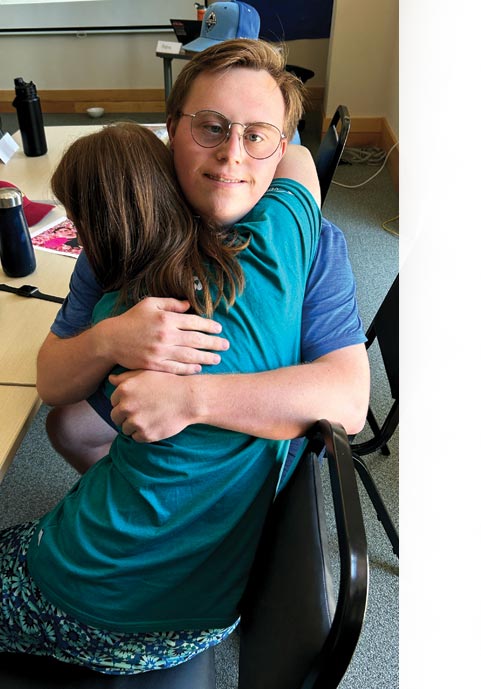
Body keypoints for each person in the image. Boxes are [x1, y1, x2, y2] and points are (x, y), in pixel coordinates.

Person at [1, 111, 320, 672]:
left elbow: (54, 388)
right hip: (210, 610)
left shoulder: (122, 316)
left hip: (103, 608)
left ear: (93, 229)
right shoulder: (275, 255)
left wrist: (109, 340)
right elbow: (297, 159)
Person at [37, 38, 369, 474]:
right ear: (171, 130)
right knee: (68, 426)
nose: (232, 154)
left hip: (252, 432)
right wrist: (109, 340)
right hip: (145, 393)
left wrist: (192, 400)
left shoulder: (309, 243)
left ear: (278, 150)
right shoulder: (129, 226)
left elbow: (348, 398)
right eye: (211, 127)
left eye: (255, 136)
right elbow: (52, 380)